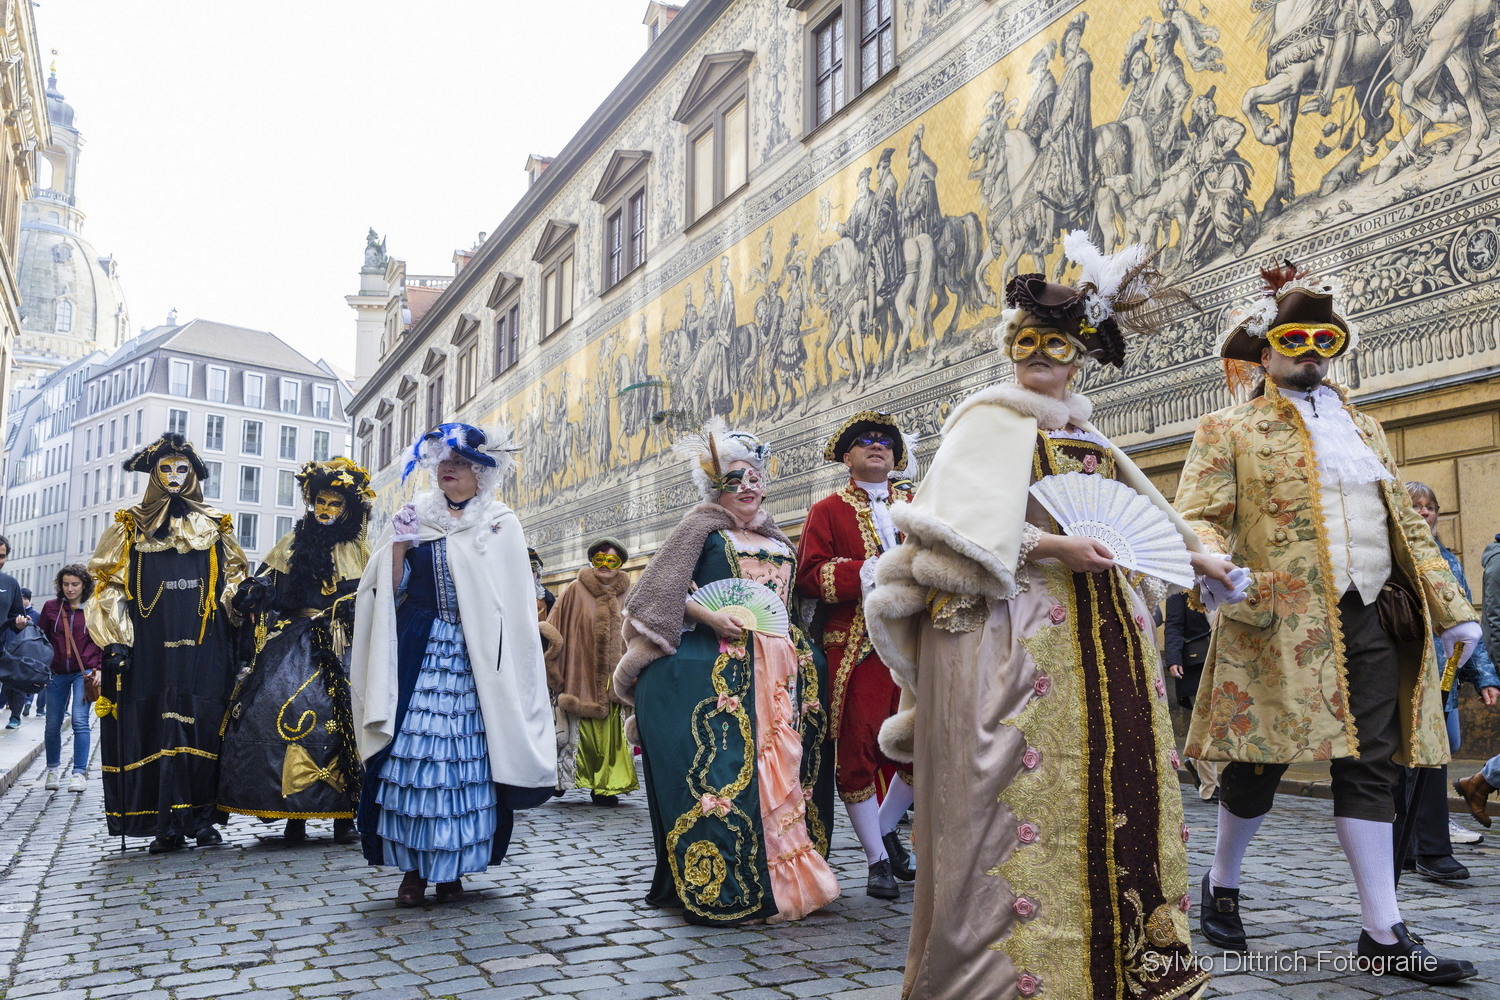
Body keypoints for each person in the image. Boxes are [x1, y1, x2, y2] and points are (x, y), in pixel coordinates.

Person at [866, 234, 1227, 1000]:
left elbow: (1146, 513)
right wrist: (1058, 544)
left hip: (1104, 630)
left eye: (1056, 345)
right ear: (1009, 349)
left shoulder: (1086, 433)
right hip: (1014, 630)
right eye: (1026, 342)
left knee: (1118, 777)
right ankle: (1016, 975)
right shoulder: (987, 419)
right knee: (1011, 791)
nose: (1040, 357)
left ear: (1079, 356)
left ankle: (1123, 959)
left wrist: (1200, 558)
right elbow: (952, 526)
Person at [1175, 262, 1481, 984]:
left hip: (1373, 613)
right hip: (1276, 620)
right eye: (1294, 336)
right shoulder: (1228, 427)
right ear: (1265, 349)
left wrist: (1453, 611)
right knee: (1260, 760)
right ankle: (1221, 881)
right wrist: (1213, 566)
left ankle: (1383, 929)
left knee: (1371, 764)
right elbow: (1198, 517)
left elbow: (1407, 522)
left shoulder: (1366, 427)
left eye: (1324, 338)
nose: (1310, 349)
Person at [612, 418, 839, 926]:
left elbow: (795, 604)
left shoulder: (775, 535)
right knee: (727, 774)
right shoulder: (698, 529)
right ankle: (734, 882)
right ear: (716, 488)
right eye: (736, 480)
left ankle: (788, 879)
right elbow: (656, 594)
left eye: (755, 479)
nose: (749, 489)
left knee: (791, 775)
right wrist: (708, 614)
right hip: (723, 667)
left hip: (785, 669)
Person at [350, 423, 555, 906]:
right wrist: (398, 544)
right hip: (421, 648)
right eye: (443, 463)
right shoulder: (414, 516)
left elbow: (513, 600)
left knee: (469, 758)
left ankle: (454, 868)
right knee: (414, 754)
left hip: (477, 658)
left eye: (459, 464)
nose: (448, 471)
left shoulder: (501, 522)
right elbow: (389, 589)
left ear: (481, 474)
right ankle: (413, 872)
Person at [87, 433, 249, 853]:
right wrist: (115, 640)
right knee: (155, 726)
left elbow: (232, 582)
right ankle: (164, 824)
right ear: (154, 475)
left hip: (204, 648)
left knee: (205, 724)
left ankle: (203, 819)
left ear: (194, 475)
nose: (175, 477)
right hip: (150, 650)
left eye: (183, 469)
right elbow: (108, 585)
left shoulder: (215, 527)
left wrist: (245, 599)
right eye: (167, 469)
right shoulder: (129, 528)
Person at [217, 458, 376, 845]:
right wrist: (256, 592)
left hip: (342, 641)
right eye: (321, 502)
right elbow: (270, 581)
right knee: (271, 707)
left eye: (335, 504)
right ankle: (293, 813)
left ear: (348, 509)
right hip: (291, 640)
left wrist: (352, 607)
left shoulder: (358, 547)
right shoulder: (292, 542)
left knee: (346, 722)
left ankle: (345, 816)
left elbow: (370, 592)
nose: (325, 510)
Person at [796, 410, 915, 900]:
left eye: (885, 441)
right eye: (865, 441)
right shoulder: (827, 511)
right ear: (847, 457)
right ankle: (877, 859)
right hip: (856, 644)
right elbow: (810, 575)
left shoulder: (917, 503)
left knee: (920, 743)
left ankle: (886, 827)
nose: (876, 446)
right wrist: (871, 571)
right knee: (860, 746)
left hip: (918, 641)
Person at [1402, 482, 1498, 864]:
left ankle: (1426, 830)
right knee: (1416, 759)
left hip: (1445, 678)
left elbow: (1465, 622)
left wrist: (1484, 677)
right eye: (1416, 507)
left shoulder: (1448, 560)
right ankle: (1419, 838)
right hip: (1409, 676)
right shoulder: (1395, 555)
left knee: (1445, 749)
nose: (1425, 512)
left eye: (1430, 507)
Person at [547, 538, 638, 805]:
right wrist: (555, 668)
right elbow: (554, 628)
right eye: (600, 560)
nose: (605, 566)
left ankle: (606, 786)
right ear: (592, 560)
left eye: (612, 561)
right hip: (580, 674)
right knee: (577, 729)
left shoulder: (631, 594)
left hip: (617, 680)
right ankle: (565, 778)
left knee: (612, 733)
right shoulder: (574, 590)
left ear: (621, 564)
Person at [38, 566, 101, 792]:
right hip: (55, 672)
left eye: (75, 584)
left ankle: (79, 773)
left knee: (80, 720)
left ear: (84, 585)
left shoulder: (94, 608)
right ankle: (53, 770)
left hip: (83, 672)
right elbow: (41, 637)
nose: (70, 589)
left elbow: (102, 641)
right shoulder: (51, 608)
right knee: (53, 723)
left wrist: (100, 669)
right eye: (66, 584)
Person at [0, 537, 31, 729]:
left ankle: (15, 715)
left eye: (2, 556)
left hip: (1, 647)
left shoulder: (10, 583)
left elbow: (16, 615)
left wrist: (19, 623)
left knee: (13, 682)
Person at [19, 588, 41, 718]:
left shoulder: (35, 615)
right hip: (19, 649)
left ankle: (28, 700)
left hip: (31, 650)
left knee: (30, 676)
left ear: (27, 599)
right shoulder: (15, 612)